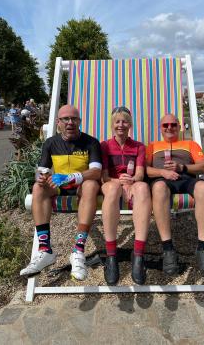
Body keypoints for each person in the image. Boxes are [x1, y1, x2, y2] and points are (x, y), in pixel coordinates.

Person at [20, 105, 102, 280]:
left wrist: (72, 177)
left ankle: (78, 250)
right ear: (58, 122)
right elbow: (41, 170)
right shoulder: (51, 143)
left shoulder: (91, 142)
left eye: (74, 119)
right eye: (65, 119)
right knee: (37, 187)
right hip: (59, 188)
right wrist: (42, 177)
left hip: (82, 187)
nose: (70, 122)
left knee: (91, 185)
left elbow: (96, 172)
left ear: (79, 121)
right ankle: (45, 250)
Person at [146, 113, 204, 278]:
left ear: (179, 127)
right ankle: (168, 249)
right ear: (160, 128)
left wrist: (181, 167)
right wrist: (162, 171)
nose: (169, 127)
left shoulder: (190, 144)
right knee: (159, 189)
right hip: (162, 180)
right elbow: (145, 170)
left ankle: (202, 249)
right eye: (165, 125)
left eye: (173, 125)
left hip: (186, 179)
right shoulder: (152, 146)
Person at [100, 106, 151, 285]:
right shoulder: (104, 146)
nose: (121, 124)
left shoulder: (138, 146)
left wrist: (131, 181)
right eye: (117, 121)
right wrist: (119, 182)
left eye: (125, 121)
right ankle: (111, 256)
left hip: (131, 183)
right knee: (113, 189)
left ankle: (138, 255)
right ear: (112, 125)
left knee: (143, 188)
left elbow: (139, 174)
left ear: (130, 125)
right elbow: (105, 177)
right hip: (112, 184)